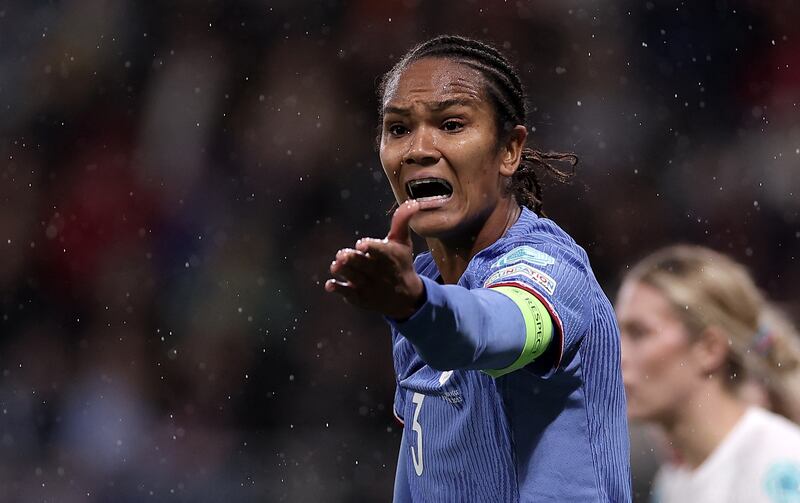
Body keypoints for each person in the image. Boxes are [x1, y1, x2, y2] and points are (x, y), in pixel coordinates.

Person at [325, 35, 631, 502]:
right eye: (398, 128)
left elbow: (490, 328)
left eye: (451, 124)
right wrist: (414, 305)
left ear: (510, 148)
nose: (419, 149)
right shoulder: (421, 287)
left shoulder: (548, 265)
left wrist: (416, 307)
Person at [615, 245, 800, 503]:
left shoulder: (781, 468)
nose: (617, 355)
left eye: (639, 333)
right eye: (617, 333)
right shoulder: (671, 484)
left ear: (709, 349)